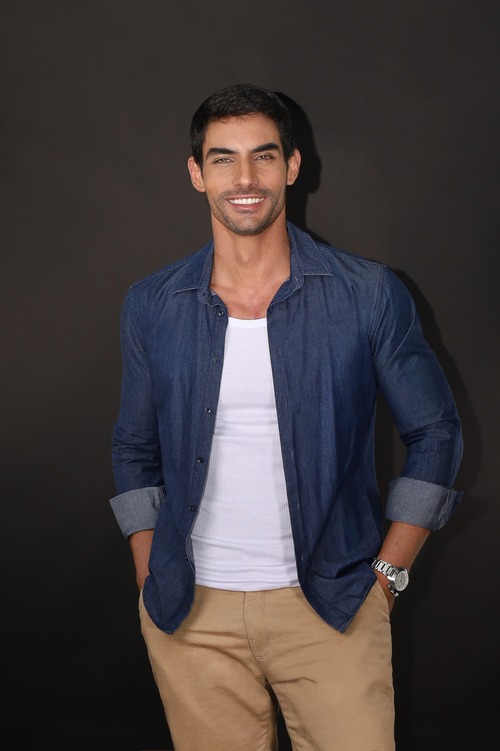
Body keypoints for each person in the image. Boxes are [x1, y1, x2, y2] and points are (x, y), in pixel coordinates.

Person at [110, 83, 463, 751]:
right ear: (196, 173)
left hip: (333, 605)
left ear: (292, 166)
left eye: (263, 156)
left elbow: (436, 433)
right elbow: (133, 447)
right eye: (223, 158)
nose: (244, 178)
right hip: (191, 615)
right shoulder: (152, 304)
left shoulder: (368, 294)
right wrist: (149, 567)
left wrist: (387, 578)